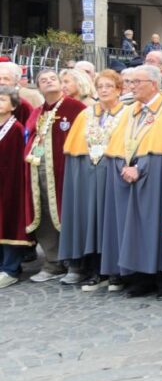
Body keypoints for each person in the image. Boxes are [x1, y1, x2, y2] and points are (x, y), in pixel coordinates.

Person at [104, 65, 162, 298]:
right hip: (129, 176)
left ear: (153, 84)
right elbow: (120, 142)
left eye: (136, 82)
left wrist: (140, 168)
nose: (131, 87)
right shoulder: (131, 110)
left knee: (156, 229)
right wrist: (125, 166)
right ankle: (140, 278)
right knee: (132, 230)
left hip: (158, 178)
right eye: (129, 83)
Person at [58, 70, 126, 289]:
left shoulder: (127, 113)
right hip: (89, 173)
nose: (104, 90)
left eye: (109, 86)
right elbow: (75, 145)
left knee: (111, 222)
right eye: (101, 86)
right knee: (91, 221)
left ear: (119, 89)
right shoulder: (87, 114)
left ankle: (115, 271)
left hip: (113, 173)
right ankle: (95, 268)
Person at [23, 69, 86, 282]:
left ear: (61, 84)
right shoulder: (37, 112)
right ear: (38, 87)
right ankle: (52, 262)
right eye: (43, 80)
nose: (48, 82)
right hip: (38, 172)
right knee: (45, 217)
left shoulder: (76, 108)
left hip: (65, 172)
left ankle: (75, 264)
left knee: (67, 215)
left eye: (53, 79)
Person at [0, 86, 27, 288]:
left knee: (9, 220)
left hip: (10, 183)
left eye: (2, 100)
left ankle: (11, 267)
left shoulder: (16, 128)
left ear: (13, 105)